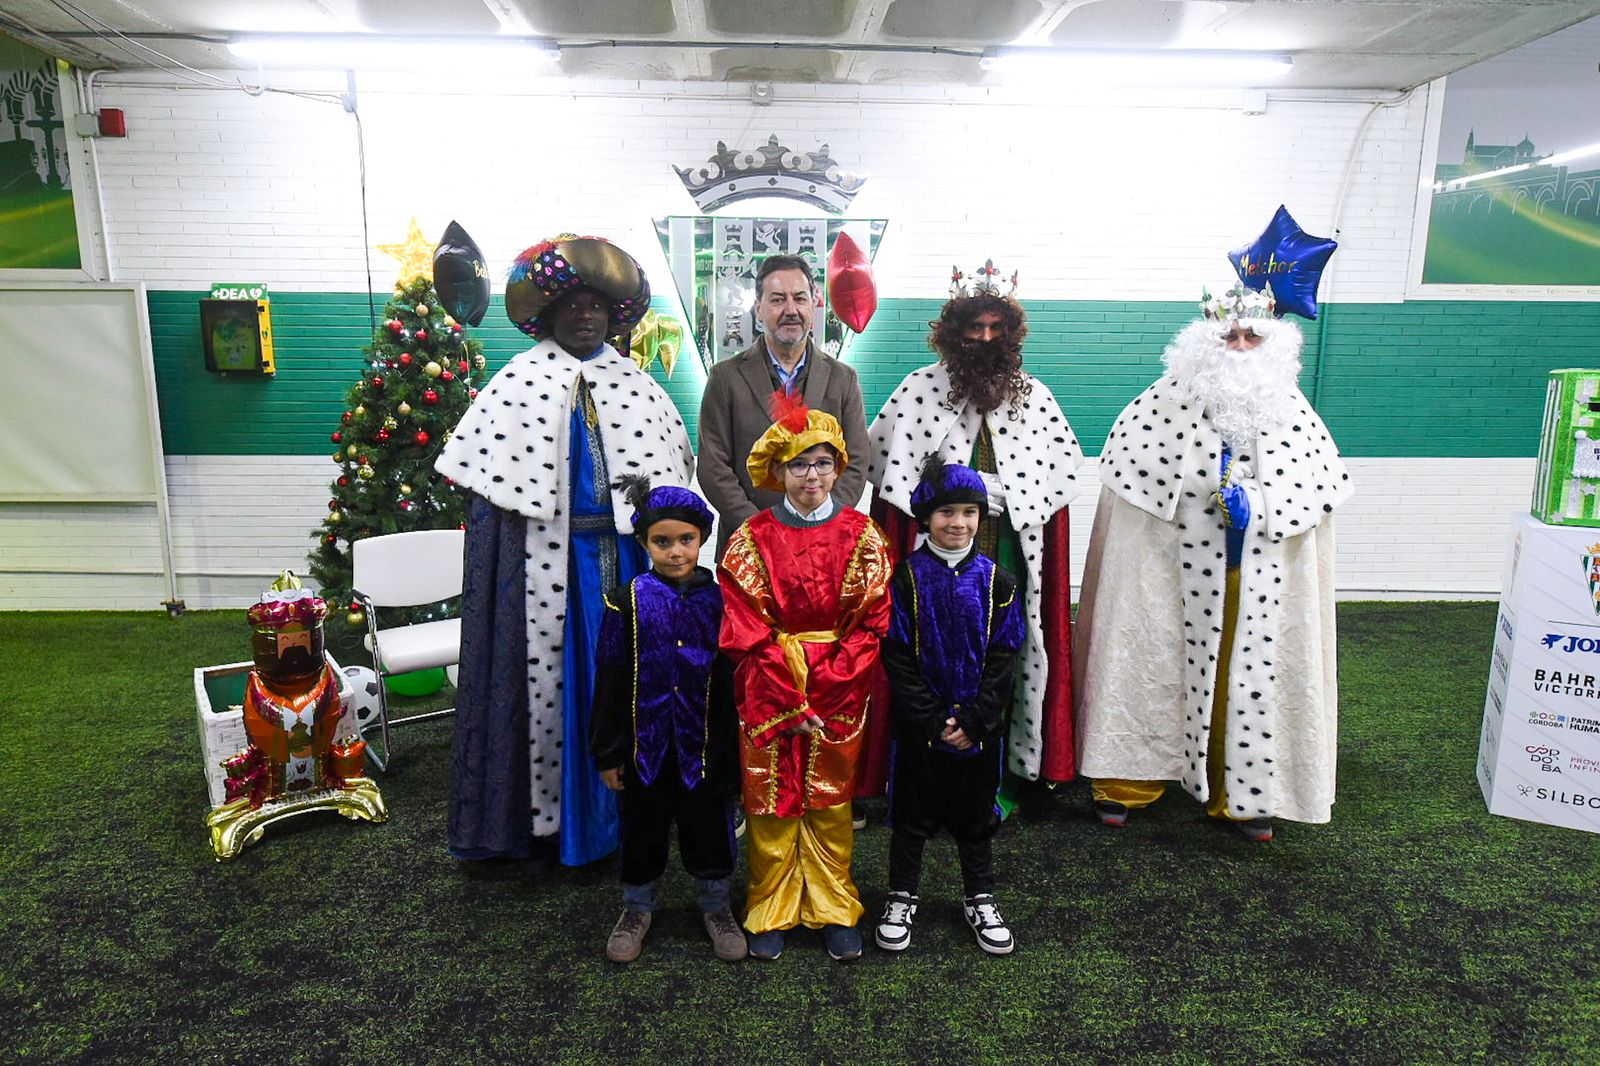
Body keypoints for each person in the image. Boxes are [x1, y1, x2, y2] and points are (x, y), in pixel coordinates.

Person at [436, 234, 694, 866]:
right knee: (551, 687)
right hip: (543, 569)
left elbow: (673, 484)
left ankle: (639, 813)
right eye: (572, 305)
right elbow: (494, 502)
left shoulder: (637, 385)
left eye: (597, 306)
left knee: (636, 681)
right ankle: (548, 823)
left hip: (629, 562)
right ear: (548, 313)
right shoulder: (517, 381)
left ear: (615, 315)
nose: (586, 316)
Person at [1073, 283, 1352, 842]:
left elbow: (1314, 491)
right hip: (1166, 569)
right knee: (1147, 660)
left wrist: (1264, 504)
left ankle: (1246, 795)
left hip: (1252, 575)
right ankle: (1129, 780)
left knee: (1244, 679)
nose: (1240, 346)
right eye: (1230, 335)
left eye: (1252, 336)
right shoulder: (1158, 404)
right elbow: (1128, 482)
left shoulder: (1291, 410)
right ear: (1205, 340)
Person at [865, 262, 1081, 806]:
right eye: (973, 328)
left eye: (995, 329)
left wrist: (1001, 493)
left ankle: (1007, 773)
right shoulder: (918, 389)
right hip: (929, 558)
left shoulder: (1034, 395)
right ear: (953, 330)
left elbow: (1056, 481)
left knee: (1002, 656)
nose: (984, 339)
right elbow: (890, 479)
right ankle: (916, 771)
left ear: (1009, 334)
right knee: (924, 654)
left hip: (1005, 551)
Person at [718, 393, 891, 962]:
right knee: (768, 799)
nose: (810, 476)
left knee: (830, 799)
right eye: (797, 465)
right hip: (769, 689)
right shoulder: (751, 540)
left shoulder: (864, 537)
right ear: (778, 472)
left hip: (841, 689)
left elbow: (871, 624)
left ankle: (833, 904)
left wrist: (831, 681)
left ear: (838, 466)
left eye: (821, 462)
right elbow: (744, 626)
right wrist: (787, 691)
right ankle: (769, 903)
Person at [874, 457, 1025, 956]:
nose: (958, 523)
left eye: (969, 512)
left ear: (982, 517)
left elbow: (1005, 655)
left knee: (974, 815)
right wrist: (935, 721)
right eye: (946, 513)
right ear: (925, 518)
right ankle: (901, 896)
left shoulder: (998, 582)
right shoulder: (905, 580)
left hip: (978, 731)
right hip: (921, 730)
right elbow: (895, 654)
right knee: (912, 816)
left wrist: (977, 720)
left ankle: (979, 896)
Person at [590, 477, 744, 964]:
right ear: (643, 543)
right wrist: (609, 751)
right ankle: (637, 908)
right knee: (642, 826)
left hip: (704, 744)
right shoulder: (625, 600)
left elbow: (732, 680)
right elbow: (611, 677)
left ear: (702, 539)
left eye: (686, 540)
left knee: (709, 827)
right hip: (644, 746)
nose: (676, 551)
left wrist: (733, 755)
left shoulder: (721, 601)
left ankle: (717, 906)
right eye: (662, 541)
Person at [697, 253, 869, 560]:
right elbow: (713, 467)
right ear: (758, 309)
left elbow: (856, 462)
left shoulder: (843, 379)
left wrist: (821, 522)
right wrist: (761, 530)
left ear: (813, 306)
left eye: (800, 298)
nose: (791, 310)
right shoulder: (725, 378)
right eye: (778, 299)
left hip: (823, 547)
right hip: (747, 546)